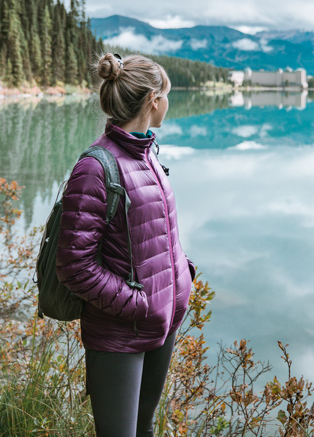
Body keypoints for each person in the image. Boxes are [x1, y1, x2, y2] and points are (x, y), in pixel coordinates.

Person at [56, 52, 196, 437]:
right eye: (167, 94)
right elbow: (74, 267)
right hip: (121, 332)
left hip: (162, 320)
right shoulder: (96, 167)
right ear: (154, 100)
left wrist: (182, 277)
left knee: (145, 428)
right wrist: (138, 304)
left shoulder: (147, 152)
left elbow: (155, 233)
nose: (168, 102)